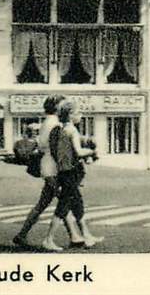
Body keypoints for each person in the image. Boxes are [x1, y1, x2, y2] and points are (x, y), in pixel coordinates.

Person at [14, 95, 80, 252]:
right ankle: (63, 237)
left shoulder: (47, 122)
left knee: (45, 202)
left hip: (47, 166)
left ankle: (23, 234)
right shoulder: (55, 124)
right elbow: (57, 147)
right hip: (53, 167)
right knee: (63, 200)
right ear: (57, 107)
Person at [47, 100, 100, 248]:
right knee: (63, 207)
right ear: (70, 115)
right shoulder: (72, 131)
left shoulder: (60, 130)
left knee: (77, 204)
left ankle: (86, 236)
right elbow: (78, 151)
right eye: (78, 112)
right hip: (71, 173)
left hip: (64, 172)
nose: (81, 115)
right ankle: (48, 239)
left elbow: (57, 153)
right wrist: (91, 151)